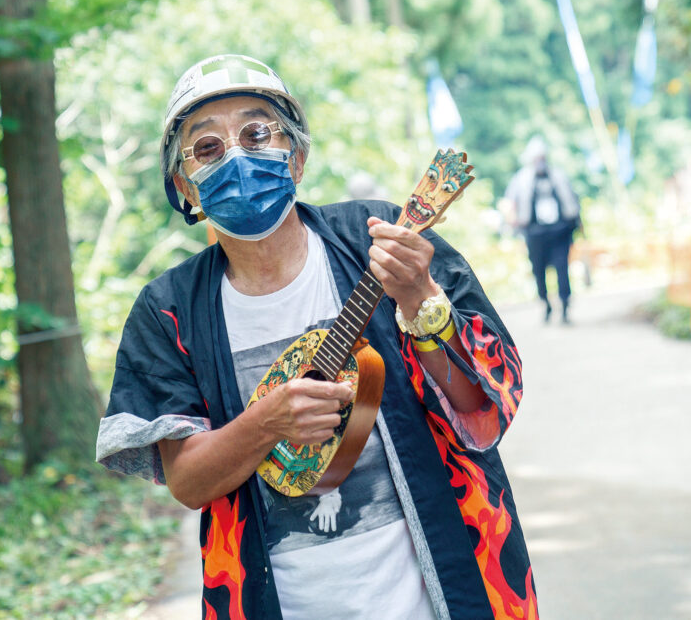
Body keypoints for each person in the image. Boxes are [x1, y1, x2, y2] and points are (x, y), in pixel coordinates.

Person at [95, 54, 536, 619]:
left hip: (440, 592)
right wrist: (266, 424)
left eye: (257, 134)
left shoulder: (380, 239)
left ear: (297, 157)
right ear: (186, 185)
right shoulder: (168, 312)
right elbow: (188, 482)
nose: (236, 157)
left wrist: (421, 300)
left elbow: (482, 412)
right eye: (207, 148)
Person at [503, 135, 581, 324]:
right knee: (538, 271)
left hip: (559, 231)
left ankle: (564, 306)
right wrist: (512, 222)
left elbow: (572, 201)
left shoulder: (558, 176)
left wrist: (577, 224)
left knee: (562, 269)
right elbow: (510, 203)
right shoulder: (521, 179)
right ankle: (545, 303)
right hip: (535, 233)